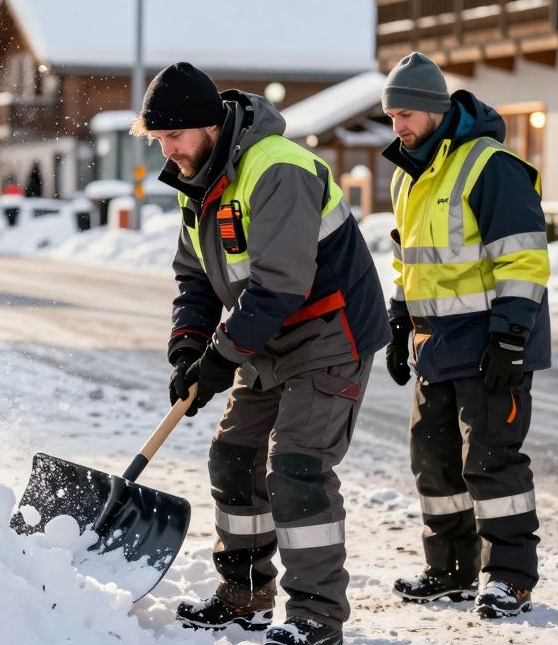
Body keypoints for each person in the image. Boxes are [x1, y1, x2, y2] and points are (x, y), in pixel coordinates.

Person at [132, 62, 389, 645]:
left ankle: (316, 617)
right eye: (159, 140)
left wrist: (221, 358)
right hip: (267, 334)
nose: (167, 152)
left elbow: (281, 285)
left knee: (298, 467)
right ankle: (245, 594)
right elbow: (195, 280)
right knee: (233, 455)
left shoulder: (278, 169)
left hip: (329, 331)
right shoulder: (197, 181)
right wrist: (188, 351)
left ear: (210, 127)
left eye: (174, 137)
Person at [379, 52, 550, 619]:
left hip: (491, 342)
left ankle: (510, 577)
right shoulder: (410, 173)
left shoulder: (490, 166)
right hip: (435, 343)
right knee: (433, 459)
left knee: (492, 460)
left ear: (433, 109)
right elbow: (409, 258)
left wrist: (510, 338)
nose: (397, 126)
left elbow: (523, 261)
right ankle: (451, 568)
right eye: (391, 116)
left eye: (405, 114)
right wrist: (399, 318)